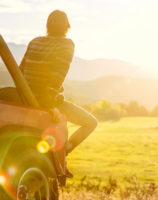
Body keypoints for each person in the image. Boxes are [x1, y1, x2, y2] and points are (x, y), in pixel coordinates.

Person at [19, 10, 97, 176]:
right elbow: (57, 77)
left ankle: (62, 160)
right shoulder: (66, 45)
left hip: (24, 97)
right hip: (45, 100)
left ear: (47, 26)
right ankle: (64, 152)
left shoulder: (34, 41)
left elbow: (20, 70)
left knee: (64, 119)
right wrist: (50, 105)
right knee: (91, 123)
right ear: (67, 27)